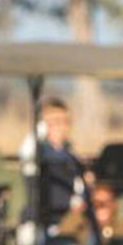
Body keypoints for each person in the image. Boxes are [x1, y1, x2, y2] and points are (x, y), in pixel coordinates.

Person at [21, 97, 87, 230]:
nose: (62, 127)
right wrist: (40, 129)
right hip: (37, 221)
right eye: (55, 122)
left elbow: (80, 188)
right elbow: (26, 152)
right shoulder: (36, 152)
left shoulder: (72, 157)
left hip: (65, 220)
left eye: (66, 122)